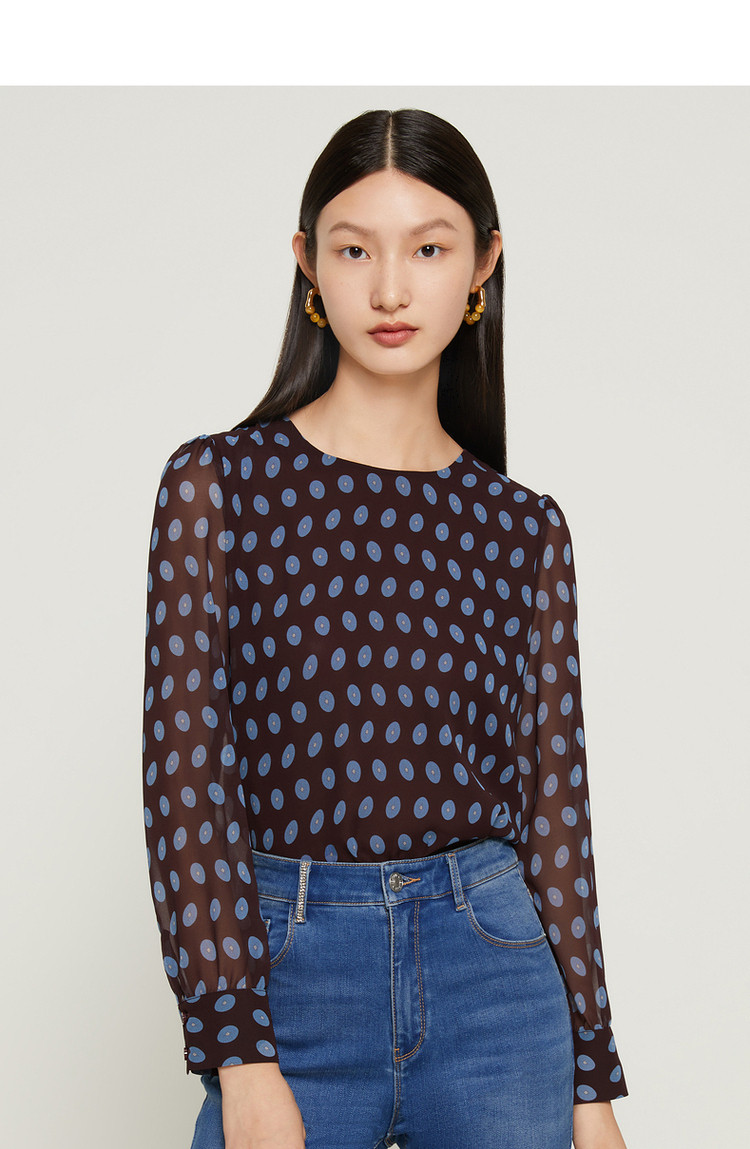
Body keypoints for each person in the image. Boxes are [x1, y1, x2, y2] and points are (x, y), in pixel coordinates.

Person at [142, 108, 629, 1149]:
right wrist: (239, 1054)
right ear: (308, 265)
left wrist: (592, 1083)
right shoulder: (218, 485)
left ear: (484, 264)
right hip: (290, 980)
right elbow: (187, 781)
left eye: (430, 249)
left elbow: (554, 809)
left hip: (495, 985)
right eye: (355, 249)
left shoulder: (523, 528)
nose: (392, 289)